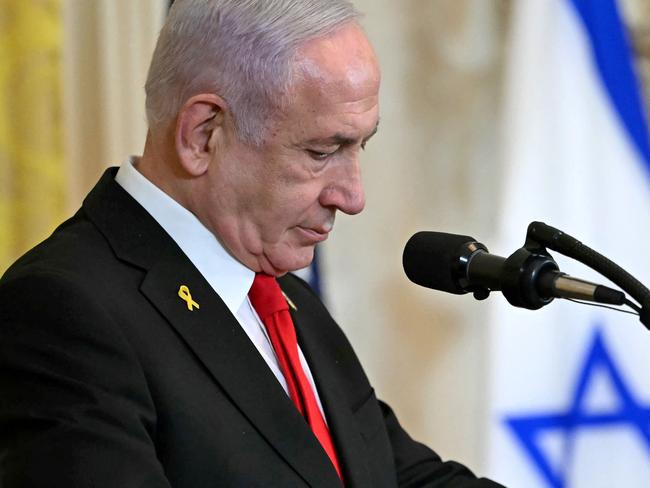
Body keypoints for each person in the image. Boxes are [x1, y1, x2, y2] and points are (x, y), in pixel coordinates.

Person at [0, 1, 504, 486]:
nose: (353, 197)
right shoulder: (62, 310)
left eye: (359, 146)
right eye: (323, 151)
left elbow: (399, 477)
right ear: (203, 134)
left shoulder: (283, 299)